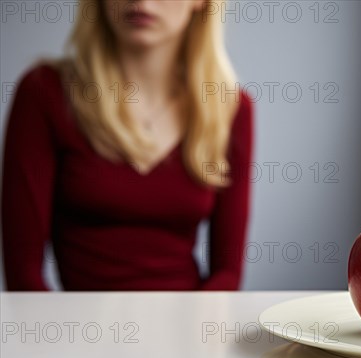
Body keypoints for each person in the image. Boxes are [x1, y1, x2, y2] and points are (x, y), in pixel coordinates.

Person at [2, 0, 253, 290]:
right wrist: (64, 334)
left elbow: (227, 274)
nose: (142, 2)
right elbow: (23, 277)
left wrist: (193, 332)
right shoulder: (44, 93)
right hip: (81, 331)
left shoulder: (230, 109)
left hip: (188, 327)